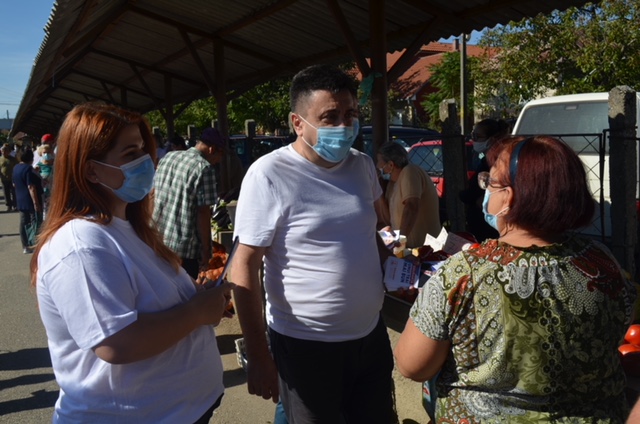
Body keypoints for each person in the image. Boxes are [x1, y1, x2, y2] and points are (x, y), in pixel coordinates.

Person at [394, 135, 637, 423]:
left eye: (489, 182)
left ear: (508, 198)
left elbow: (412, 365)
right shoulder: (601, 261)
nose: (486, 189)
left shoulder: (464, 273)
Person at [30, 102, 233, 423]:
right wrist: (196, 312)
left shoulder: (129, 226)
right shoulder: (81, 244)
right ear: (90, 170)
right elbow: (116, 343)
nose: (145, 162)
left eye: (143, 150)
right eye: (130, 154)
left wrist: (196, 295)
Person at [232, 64, 395, 424]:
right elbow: (243, 265)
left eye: (350, 114)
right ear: (298, 123)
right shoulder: (268, 174)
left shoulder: (362, 166)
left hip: (370, 335)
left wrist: (398, 268)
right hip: (305, 345)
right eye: (330, 117)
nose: (344, 126)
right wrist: (258, 353)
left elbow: (372, 229)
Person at [153, 127, 226, 279]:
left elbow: (153, 193)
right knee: (184, 290)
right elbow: (203, 212)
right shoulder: (204, 168)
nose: (219, 160)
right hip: (183, 249)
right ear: (212, 149)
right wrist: (206, 249)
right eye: (221, 154)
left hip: (157, 240)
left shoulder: (169, 157)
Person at [377, 141, 441, 248]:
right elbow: (389, 220)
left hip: (426, 248)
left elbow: (411, 206)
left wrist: (400, 240)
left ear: (391, 165)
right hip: (409, 249)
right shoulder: (392, 185)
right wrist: (378, 190)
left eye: (379, 162)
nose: (377, 166)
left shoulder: (410, 171)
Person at [459, 118, 509, 242]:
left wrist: (465, 195)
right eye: (472, 135)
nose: (473, 140)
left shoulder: (495, 163)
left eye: (477, 136)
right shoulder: (485, 160)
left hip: (488, 228)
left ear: (492, 139)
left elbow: (474, 193)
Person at [13, 149, 43, 254]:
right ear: (31, 158)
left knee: (23, 222)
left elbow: (14, 184)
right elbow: (31, 187)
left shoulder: (16, 168)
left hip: (20, 199)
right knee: (35, 221)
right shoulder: (28, 169)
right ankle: (34, 244)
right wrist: (36, 203)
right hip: (30, 199)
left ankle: (25, 245)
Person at [35, 143, 55, 218]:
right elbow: (34, 174)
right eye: (44, 152)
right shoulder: (39, 164)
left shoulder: (56, 162)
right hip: (45, 188)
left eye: (48, 152)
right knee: (45, 205)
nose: (46, 154)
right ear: (41, 153)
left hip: (55, 187)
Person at [0, 143, 18, 211]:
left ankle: (15, 205)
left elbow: (17, 167)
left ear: (8, 152)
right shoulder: (0, 159)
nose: (4, 152)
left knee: (13, 192)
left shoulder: (13, 159)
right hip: (4, 179)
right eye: (3, 151)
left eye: (5, 151)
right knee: (6, 193)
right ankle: (8, 205)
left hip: (12, 178)